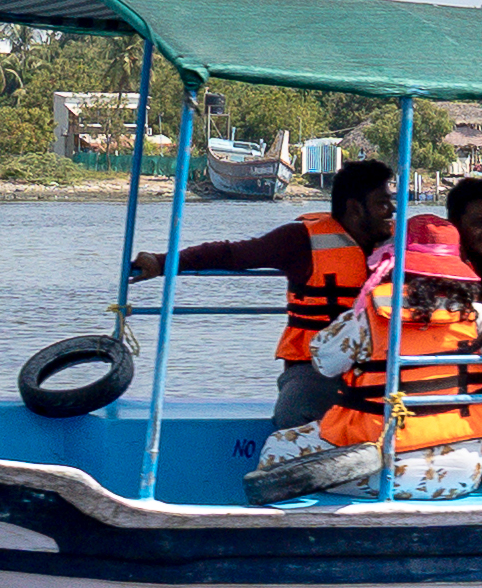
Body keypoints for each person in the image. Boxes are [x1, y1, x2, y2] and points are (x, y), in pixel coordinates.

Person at [132, 151, 393, 443]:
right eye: (383, 204)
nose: (392, 210)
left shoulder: (402, 246)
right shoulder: (298, 240)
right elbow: (232, 254)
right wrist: (162, 262)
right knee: (294, 410)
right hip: (315, 366)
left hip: (381, 363)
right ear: (356, 209)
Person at [250, 212, 482, 502]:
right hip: (461, 475)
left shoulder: (367, 318)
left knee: (279, 445)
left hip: (384, 471)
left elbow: (323, 362)